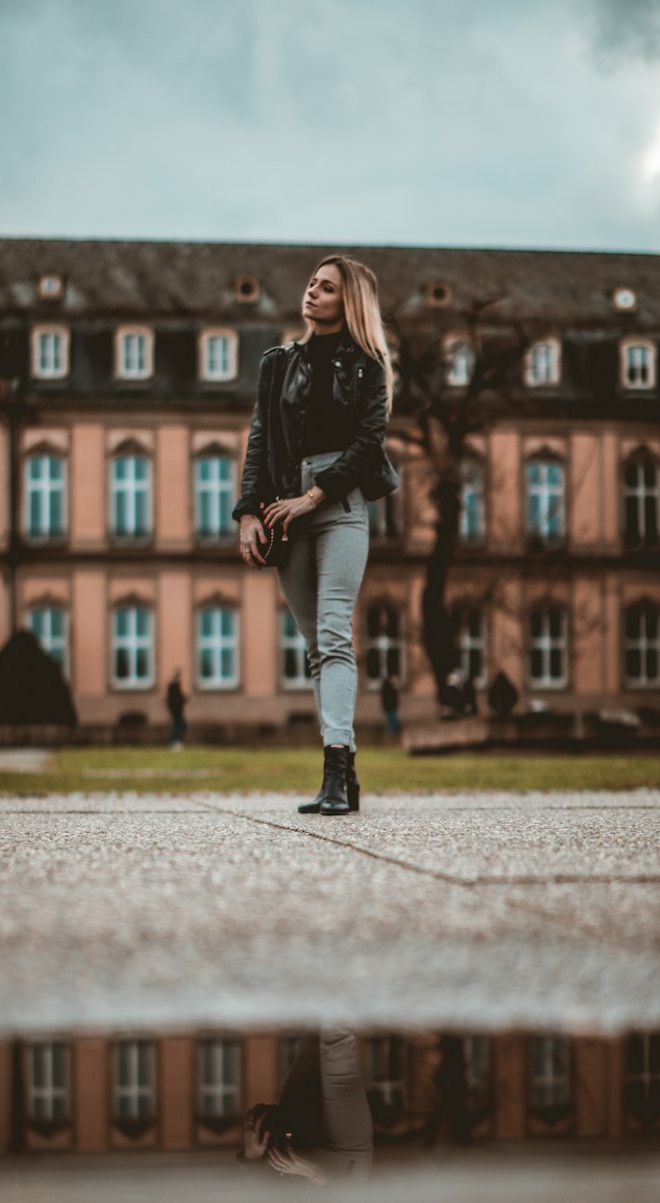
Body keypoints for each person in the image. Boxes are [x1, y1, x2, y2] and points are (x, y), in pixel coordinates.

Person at [233, 255, 399, 816]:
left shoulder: (368, 364)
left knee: (334, 637)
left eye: (326, 288)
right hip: (283, 508)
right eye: (311, 283)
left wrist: (316, 494)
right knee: (314, 647)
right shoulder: (278, 364)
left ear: (347, 302)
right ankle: (345, 768)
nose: (312, 292)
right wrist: (247, 513)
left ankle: (333, 771)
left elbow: (369, 441)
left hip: (339, 505)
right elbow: (260, 438)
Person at [237, 1029, 373, 1185]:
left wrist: (251, 1157)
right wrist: (316, 1173)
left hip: (295, 1137)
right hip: (343, 1158)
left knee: (312, 1037)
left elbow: (260, 1195)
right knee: (337, 1048)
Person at [166, 671, 187, 749]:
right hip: (176, 711)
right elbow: (175, 700)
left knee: (180, 725)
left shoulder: (174, 687)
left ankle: (176, 741)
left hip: (177, 711)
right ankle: (175, 742)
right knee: (179, 725)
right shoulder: (174, 687)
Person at [381, 672, 401, 737]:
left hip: (392, 707)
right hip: (389, 707)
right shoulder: (387, 688)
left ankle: (393, 732)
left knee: (393, 720)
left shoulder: (392, 687)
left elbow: (395, 697)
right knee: (392, 720)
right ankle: (391, 733)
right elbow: (387, 699)